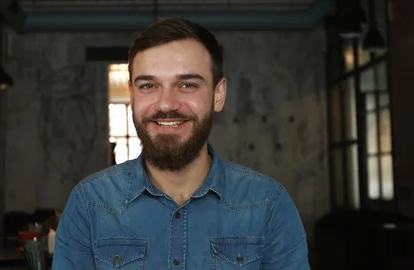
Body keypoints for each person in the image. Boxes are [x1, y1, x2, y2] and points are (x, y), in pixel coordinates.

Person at [53, 18, 309, 269]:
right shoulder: (89, 204)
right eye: (149, 85)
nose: (166, 104)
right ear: (131, 94)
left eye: (187, 84)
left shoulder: (268, 204)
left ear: (218, 95)